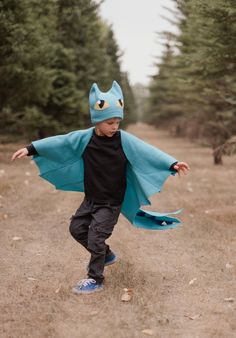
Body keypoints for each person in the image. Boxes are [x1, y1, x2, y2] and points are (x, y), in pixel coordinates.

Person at [12, 80, 190, 294]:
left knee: (96, 237)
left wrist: (171, 163)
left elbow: (147, 151)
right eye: (109, 123)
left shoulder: (124, 139)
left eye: (117, 122)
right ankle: (106, 254)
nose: (114, 127)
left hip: (111, 202)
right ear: (97, 121)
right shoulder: (84, 138)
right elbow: (61, 142)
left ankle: (95, 278)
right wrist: (31, 148)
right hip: (91, 199)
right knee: (76, 229)